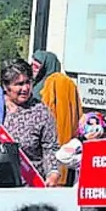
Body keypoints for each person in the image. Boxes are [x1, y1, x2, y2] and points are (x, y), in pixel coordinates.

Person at [0, 59, 62, 185]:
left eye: (28, 82)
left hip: (28, 185)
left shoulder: (40, 112)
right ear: (6, 86)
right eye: (19, 84)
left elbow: (50, 147)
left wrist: (53, 173)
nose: (25, 88)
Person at [38, 53, 82, 185]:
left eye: (37, 66)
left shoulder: (52, 83)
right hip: (65, 145)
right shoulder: (68, 83)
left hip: (52, 142)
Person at [56, 111, 106, 176]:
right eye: (90, 124)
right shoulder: (81, 155)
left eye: (97, 123)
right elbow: (61, 156)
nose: (94, 128)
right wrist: (82, 140)